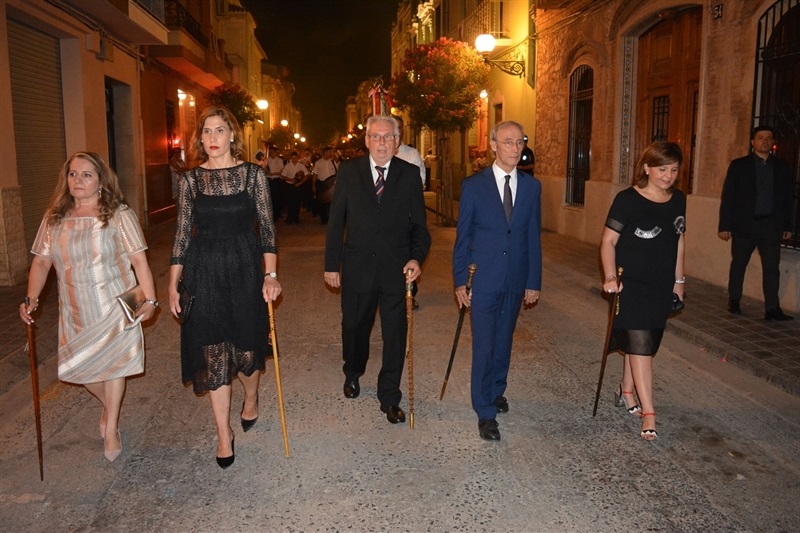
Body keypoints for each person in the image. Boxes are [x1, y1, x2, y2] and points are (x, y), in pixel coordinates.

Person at [19, 151, 158, 462]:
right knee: (81, 372)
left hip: (115, 306)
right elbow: (41, 263)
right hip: (75, 309)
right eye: (72, 174)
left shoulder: (118, 215)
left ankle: (112, 429)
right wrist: (32, 299)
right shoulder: (54, 218)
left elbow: (139, 261)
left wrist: (150, 300)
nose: (77, 180)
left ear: (101, 182)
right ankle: (109, 407)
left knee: (115, 367)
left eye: (86, 175)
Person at [168, 105, 281, 469]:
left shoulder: (253, 176)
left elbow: (267, 228)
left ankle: (251, 398)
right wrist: (173, 284)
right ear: (199, 138)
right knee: (214, 352)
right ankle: (222, 434)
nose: (212, 138)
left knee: (247, 352)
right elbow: (182, 235)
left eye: (219, 130)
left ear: (232, 135)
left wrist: (270, 275)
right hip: (204, 272)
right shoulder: (190, 181)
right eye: (206, 131)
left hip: (245, 268)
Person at [324, 115, 431, 425]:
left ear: (397, 141)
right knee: (354, 326)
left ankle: (390, 396)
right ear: (367, 140)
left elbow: (420, 227)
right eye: (376, 136)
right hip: (357, 266)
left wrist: (416, 258)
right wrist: (331, 265)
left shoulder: (409, 175)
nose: (382, 142)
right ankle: (353, 370)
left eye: (388, 137)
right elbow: (336, 222)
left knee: (395, 333)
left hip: (397, 269)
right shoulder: (349, 171)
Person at [453, 120, 542, 442]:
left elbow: (532, 236)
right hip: (483, 278)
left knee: (504, 340)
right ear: (493, 145)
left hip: (515, 277)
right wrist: (460, 281)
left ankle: (496, 389)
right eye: (508, 142)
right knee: (484, 343)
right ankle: (484, 410)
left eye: (520, 142)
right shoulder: (474, 186)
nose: (515, 148)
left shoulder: (532, 187)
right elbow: (463, 236)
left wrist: (533, 281)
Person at [600, 141, 686, 441]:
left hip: (660, 283)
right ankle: (649, 413)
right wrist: (610, 276)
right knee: (640, 345)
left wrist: (679, 281)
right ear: (647, 168)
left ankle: (626, 391)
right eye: (662, 169)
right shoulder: (627, 200)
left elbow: (679, 241)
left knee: (645, 341)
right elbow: (608, 241)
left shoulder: (678, 200)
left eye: (673, 170)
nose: (668, 176)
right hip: (631, 284)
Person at [718, 125, 794, 320]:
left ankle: (772, 309)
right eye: (760, 138)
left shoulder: (782, 167)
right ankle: (734, 300)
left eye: (768, 138)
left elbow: (787, 199)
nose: (765, 141)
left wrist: (787, 226)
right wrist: (725, 225)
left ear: (773, 142)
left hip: (770, 225)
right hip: (745, 224)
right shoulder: (739, 166)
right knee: (739, 264)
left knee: (772, 268)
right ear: (753, 142)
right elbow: (729, 197)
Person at [393, 116, 426, 187]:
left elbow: (419, 180)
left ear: (403, 130)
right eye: (392, 128)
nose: (395, 132)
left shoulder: (413, 154)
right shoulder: (380, 154)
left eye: (398, 128)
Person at [281, 151, 309, 224]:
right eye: (293, 158)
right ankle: (290, 218)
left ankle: (296, 218)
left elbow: (307, 175)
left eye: (295, 158)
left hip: (298, 185)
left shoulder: (301, 166)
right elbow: (283, 175)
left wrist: (301, 182)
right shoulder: (287, 166)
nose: (294, 160)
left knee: (297, 202)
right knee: (289, 202)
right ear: (291, 158)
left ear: (297, 158)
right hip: (289, 186)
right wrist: (290, 180)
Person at [313, 146, 337, 224]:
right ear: (325, 153)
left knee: (331, 202)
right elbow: (315, 174)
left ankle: (331, 218)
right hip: (322, 184)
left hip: (332, 185)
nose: (331, 153)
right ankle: (324, 219)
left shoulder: (333, 162)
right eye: (329, 152)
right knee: (322, 202)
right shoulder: (318, 163)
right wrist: (313, 185)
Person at [264, 146, 285, 222]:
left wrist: (273, 173)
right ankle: (271, 214)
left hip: (276, 180)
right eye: (270, 152)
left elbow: (282, 171)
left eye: (273, 152)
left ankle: (277, 213)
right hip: (269, 180)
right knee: (270, 197)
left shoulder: (279, 160)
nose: (272, 153)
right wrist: (266, 171)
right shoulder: (267, 160)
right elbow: (264, 168)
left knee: (277, 197)